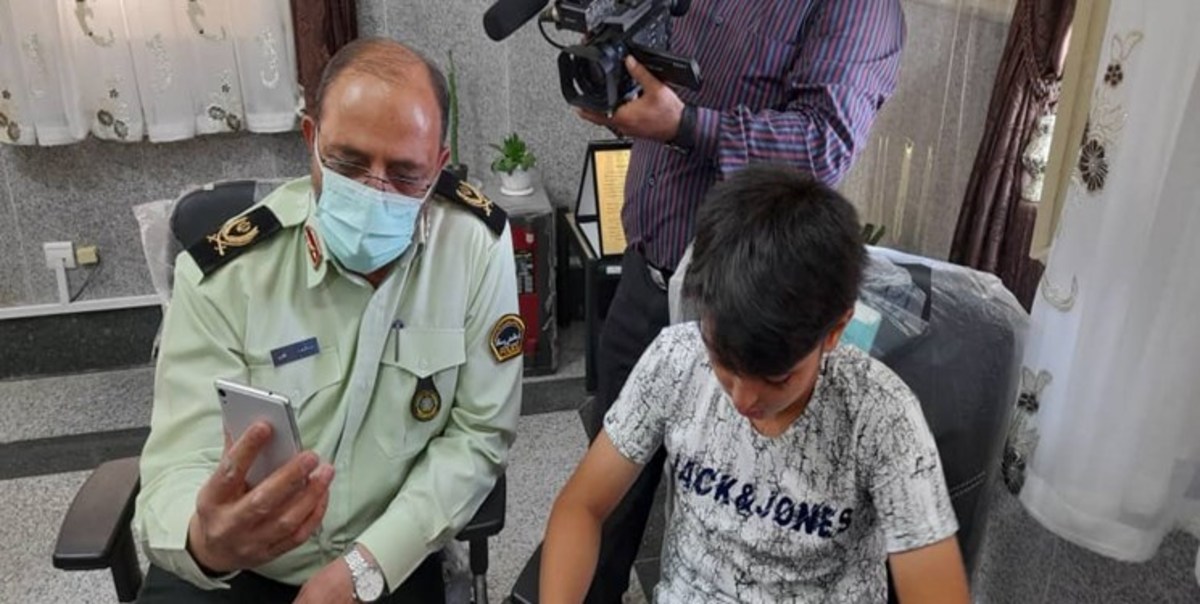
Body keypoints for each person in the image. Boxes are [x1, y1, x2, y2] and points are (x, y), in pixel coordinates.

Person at [133, 38, 524, 603]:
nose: (373, 193)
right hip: (238, 565)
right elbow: (176, 464)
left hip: (385, 552)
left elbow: (478, 433)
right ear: (311, 139)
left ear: (440, 165)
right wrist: (205, 541)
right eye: (348, 163)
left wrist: (364, 568)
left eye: (406, 173)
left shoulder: (474, 247)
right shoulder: (225, 274)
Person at [573, 2, 906, 599]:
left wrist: (687, 126)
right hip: (642, 279)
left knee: (729, 520)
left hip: (740, 320)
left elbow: (824, 145)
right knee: (609, 503)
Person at [541, 165, 969, 603]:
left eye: (777, 378)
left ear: (835, 331)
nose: (743, 399)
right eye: (723, 363)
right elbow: (583, 506)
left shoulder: (881, 413)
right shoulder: (677, 358)